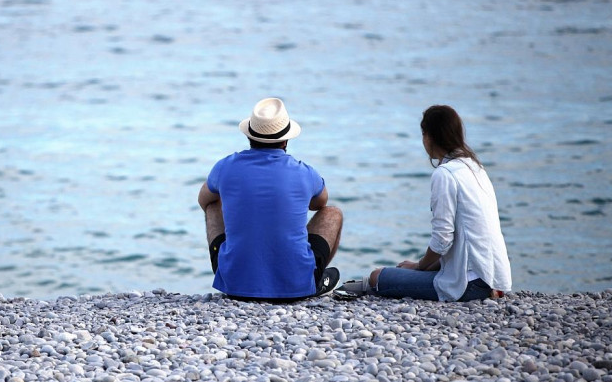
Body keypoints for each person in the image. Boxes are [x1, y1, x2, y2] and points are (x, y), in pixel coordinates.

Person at [337, 105, 512, 301]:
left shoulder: (445, 174)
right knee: (410, 272)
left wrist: (419, 266)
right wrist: (423, 267)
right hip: (495, 279)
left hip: (469, 284)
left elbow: (443, 240)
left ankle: (367, 287)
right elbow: (464, 240)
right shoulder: (475, 168)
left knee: (377, 276)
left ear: (429, 136)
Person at [198, 97, 343, 301]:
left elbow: (203, 200)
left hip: (234, 286)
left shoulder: (225, 167)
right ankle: (313, 280)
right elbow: (320, 204)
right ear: (285, 140)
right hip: (296, 288)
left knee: (213, 203)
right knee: (332, 213)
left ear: (250, 136)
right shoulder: (305, 172)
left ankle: (239, 270)